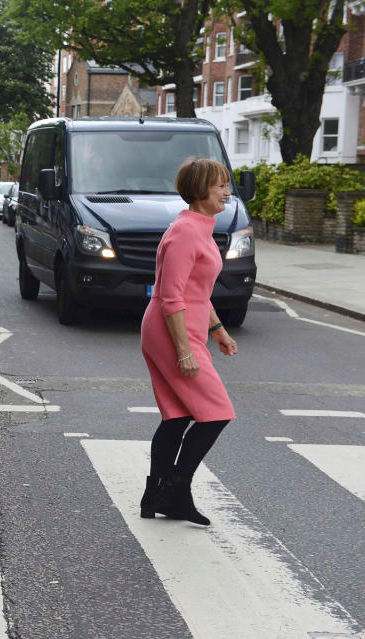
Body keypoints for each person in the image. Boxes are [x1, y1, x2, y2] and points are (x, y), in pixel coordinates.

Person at [139, 157, 239, 526]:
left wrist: (218, 330)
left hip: (186, 327)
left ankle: (155, 496)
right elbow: (171, 296)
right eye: (220, 186)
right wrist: (184, 351)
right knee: (217, 413)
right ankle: (176, 492)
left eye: (227, 185)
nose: (227, 192)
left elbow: (197, 291)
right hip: (171, 332)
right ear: (199, 191)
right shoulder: (184, 233)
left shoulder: (199, 227)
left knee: (178, 416)